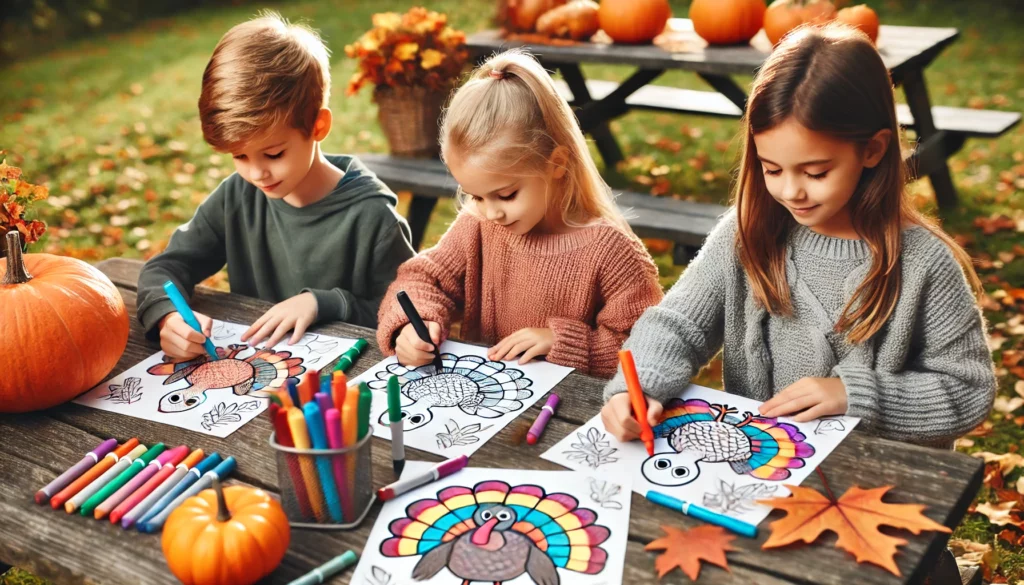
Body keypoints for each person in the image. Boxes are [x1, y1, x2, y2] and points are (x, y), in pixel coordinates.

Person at [601, 23, 995, 449]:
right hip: (758, 463)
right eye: (772, 169)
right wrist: (637, 387)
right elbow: (678, 325)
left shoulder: (923, 264)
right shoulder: (746, 232)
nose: (791, 191)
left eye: (816, 172)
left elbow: (968, 389)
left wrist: (856, 395)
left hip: (873, 481)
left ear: (873, 150)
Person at [137, 12, 415, 357]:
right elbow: (165, 267)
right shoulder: (237, 197)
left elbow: (407, 312)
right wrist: (167, 317)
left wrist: (323, 303)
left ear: (318, 126)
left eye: (273, 154)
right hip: (256, 382)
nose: (256, 174)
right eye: (240, 156)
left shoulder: (373, 217)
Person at [376, 50, 663, 377]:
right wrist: (414, 326)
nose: (491, 211)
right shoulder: (479, 224)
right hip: (485, 409)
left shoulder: (612, 252)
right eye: (475, 196)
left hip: (568, 416)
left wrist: (563, 342)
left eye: (506, 195)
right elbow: (422, 278)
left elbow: (648, 347)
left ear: (556, 164)